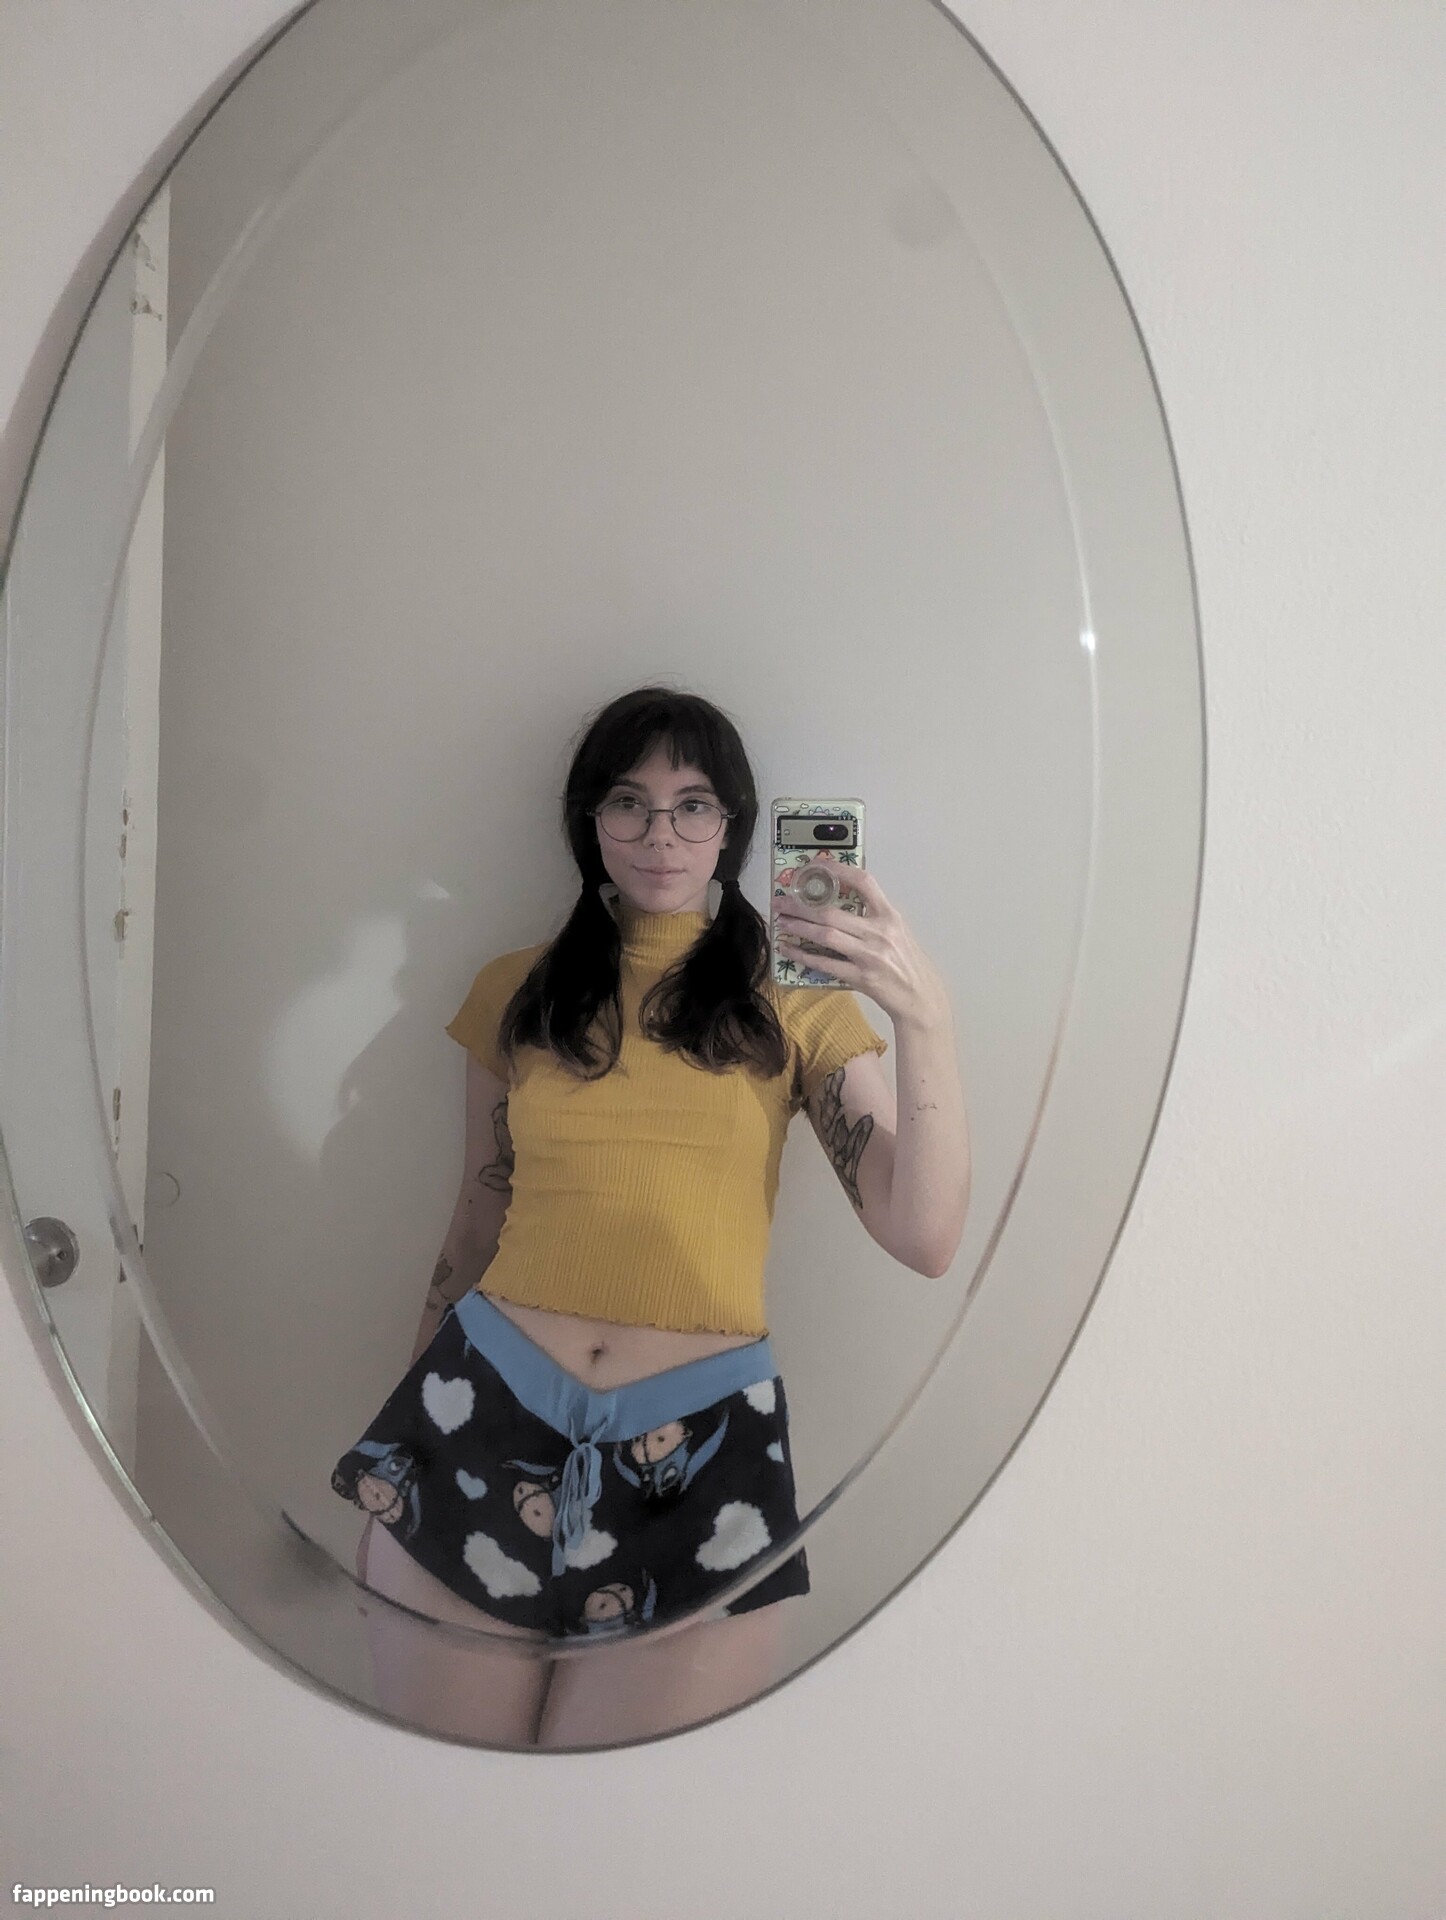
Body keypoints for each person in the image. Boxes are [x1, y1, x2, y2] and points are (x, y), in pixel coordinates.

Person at [331, 685, 970, 1746]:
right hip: (480, 1412)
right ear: (589, 821)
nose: (660, 833)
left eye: (693, 804)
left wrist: (925, 1018)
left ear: (733, 825)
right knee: (446, 1802)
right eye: (629, 802)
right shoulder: (518, 991)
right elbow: (477, 1216)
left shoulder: (795, 1001)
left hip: (704, 1455)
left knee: (617, 1825)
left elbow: (926, 1235)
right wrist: (410, 1450)